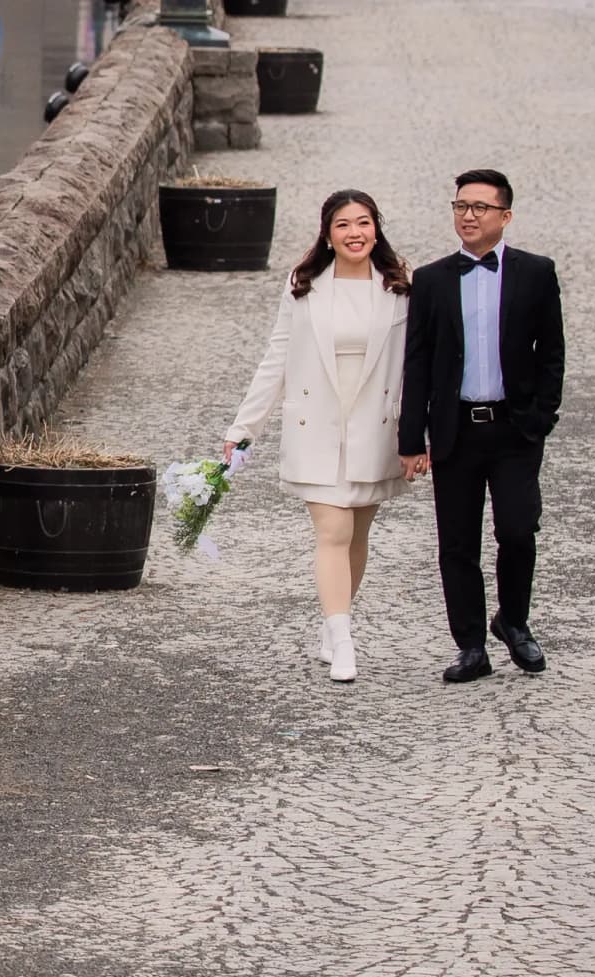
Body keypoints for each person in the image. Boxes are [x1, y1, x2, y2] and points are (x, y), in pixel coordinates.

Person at [221, 189, 412, 683]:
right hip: (316, 425)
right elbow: (277, 358)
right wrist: (244, 428)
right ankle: (343, 638)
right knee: (334, 531)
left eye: (364, 222)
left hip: (375, 426)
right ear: (327, 234)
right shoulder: (304, 285)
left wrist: (420, 431)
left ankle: (333, 622)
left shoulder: (399, 284)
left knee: (358, 535)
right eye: (344, 224)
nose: (356, 233)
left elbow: (417, 363)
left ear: (377, 228)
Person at [398, 167, 564, 684]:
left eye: (480, 208)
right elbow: (417, 361)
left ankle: (512, 621)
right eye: (460, 206)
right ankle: (470, 645)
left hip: (514, 430)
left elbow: (552, 352)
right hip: (457, 430)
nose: (468, 216)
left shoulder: (536, 273)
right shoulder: (431, 280)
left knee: (518, 528)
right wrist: (411, 438)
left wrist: (540, 418)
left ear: (505, 216)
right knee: (457, 542)